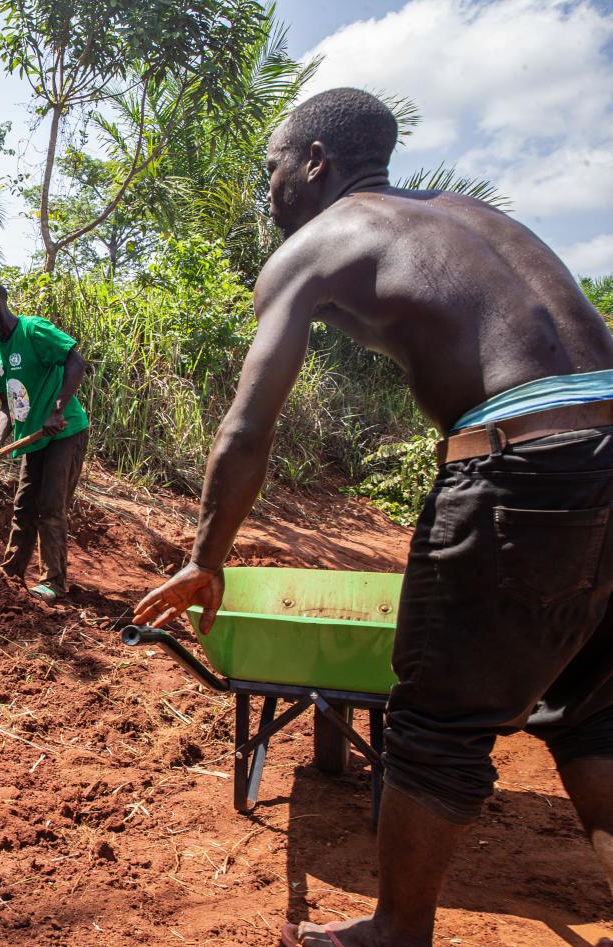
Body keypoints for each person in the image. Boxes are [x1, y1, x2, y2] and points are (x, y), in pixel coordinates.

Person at [131, 88, 613, 947]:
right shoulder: (472, 217)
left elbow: (246, 430)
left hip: (523, 466)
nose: (268, 188)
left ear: (315, 162)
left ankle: (396, 933)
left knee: (434, 720)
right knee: (590, 707)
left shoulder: (316, 245)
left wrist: (206, 557)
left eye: (272, 167)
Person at [0, 280, 90, 603]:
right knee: (24, 506)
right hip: (32, 439)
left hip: (63, 431)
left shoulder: (33, 330)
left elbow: (76, 363)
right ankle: (11, 573)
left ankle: (54, 583)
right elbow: (7, 407)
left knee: (50, 505)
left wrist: (56, 410)